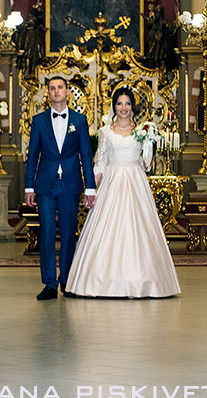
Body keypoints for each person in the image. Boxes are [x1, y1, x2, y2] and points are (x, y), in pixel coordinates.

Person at [66, 87, 181, 299]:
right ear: (114, 106)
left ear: (133, 107)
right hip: (112, 182)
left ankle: (144, 281)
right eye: (120, 103)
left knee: (138, 230)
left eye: (127, 103)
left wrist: (148, 144)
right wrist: (90, 189)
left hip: (136, 182)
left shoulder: (143, 130)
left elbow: (146, 165)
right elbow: (100, 163)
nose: (124, 108)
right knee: (106, 230)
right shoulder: (105, 132)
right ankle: (100, 282)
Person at [24, 76, 96, 300]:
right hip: (45, 186)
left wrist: (90, 188)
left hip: (70, 185)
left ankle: (67, 280)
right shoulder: (38, 121)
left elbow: (86, 155)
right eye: (52, 88)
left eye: (60, 88)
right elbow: (33, 156)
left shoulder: (80, 121)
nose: (56, 91)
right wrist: (29, 187)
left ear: (67, 92)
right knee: (46, 233)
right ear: (48, 93)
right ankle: (49, 283)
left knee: (68, 233)